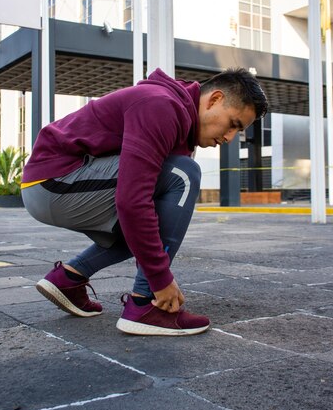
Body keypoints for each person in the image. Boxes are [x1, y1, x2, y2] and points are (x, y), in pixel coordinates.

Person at [21, 67, 268, 336]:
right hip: (53, 181)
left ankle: (70, 278)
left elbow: (142, 213)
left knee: (155, 222)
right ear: (214, 99)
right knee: (184, 175)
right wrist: (160, 280)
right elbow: (131, 200)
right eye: (233, 124)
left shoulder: (176, 119)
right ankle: (146, 304)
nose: (229, 138)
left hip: (55, 185)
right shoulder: (159, 105)